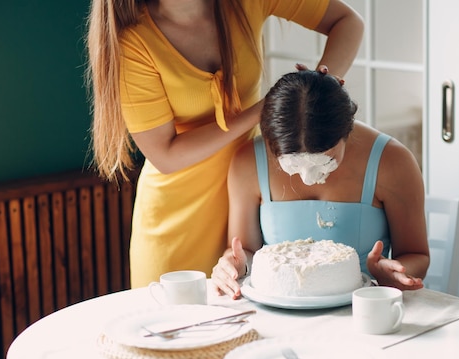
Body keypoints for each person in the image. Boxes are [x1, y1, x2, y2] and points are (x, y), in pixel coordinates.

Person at [85, 0, 365, 287]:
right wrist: (263, 109)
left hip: (249, 208)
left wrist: (319, 90)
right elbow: (165, 156)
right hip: (177, 223)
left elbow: (347, 22)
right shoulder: (132, 41)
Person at [211, 70, 430, 299]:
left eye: (324, 162)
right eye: (293, 165)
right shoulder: (247, 162)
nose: (307, 178)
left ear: (346, 131)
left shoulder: (393, 161)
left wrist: (392, 273)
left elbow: (417, 255)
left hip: (362, 306)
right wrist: (234, 265)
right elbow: (244, 250)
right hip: (278, 307)